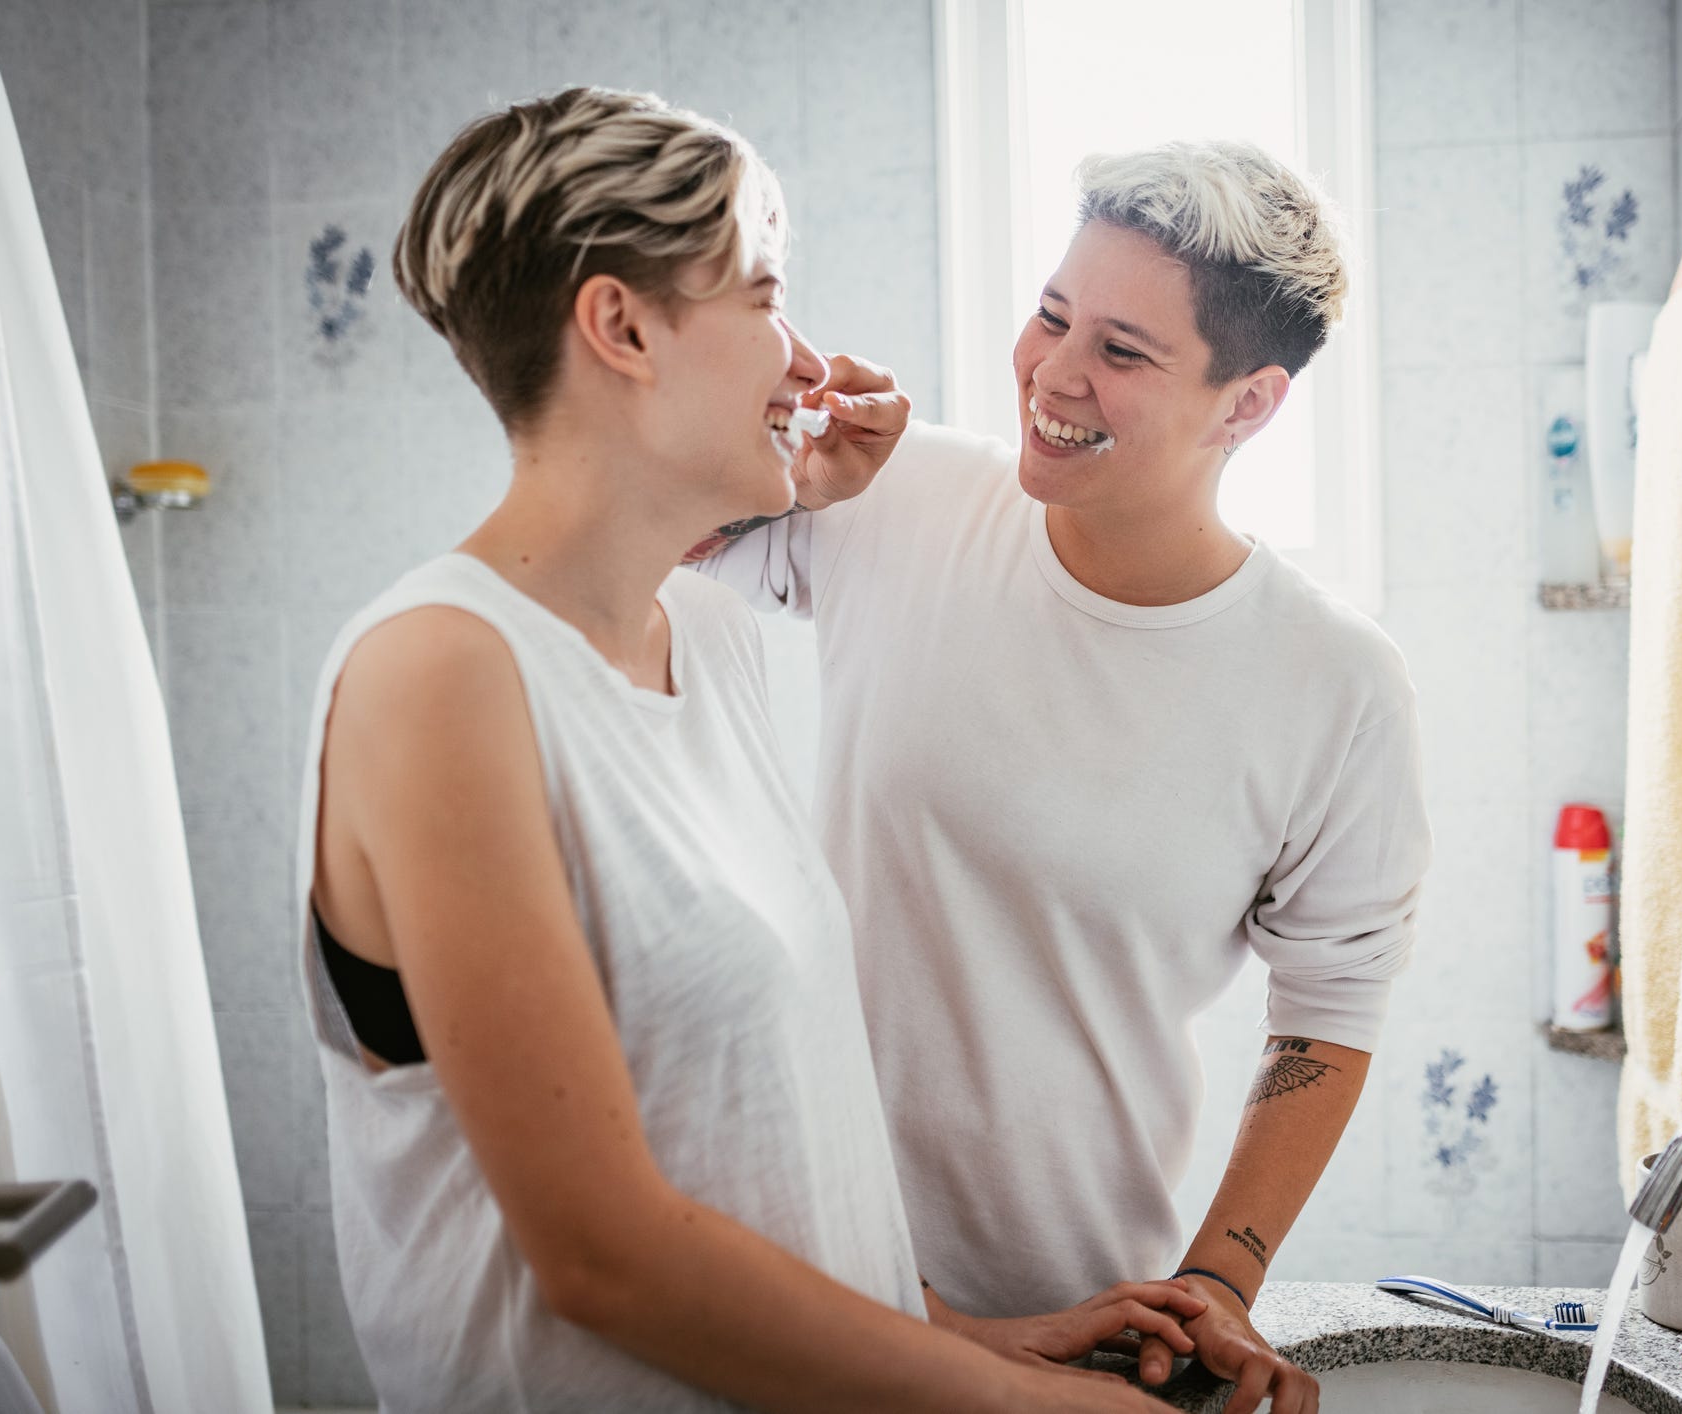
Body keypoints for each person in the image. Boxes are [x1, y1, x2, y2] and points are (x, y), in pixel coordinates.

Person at [298, 87, 1204, 1414]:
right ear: (620, 325)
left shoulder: (708, 641)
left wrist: (976, 1337)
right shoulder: (436, 673)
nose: (805, 357)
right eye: (766, 296)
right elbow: (609, 1258)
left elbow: (744, 1141)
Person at [692, 138, 1432, 1414]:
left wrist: (1217, 1285)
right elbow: (626, 571)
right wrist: (756, 463)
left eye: (1122, 352)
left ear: (1247, 403)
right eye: (1050, 317)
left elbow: (1330, 1007)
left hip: (1087, 1310)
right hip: (809, 1273)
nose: (1054, 372)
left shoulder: (1335, 685)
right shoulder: (894, 495)